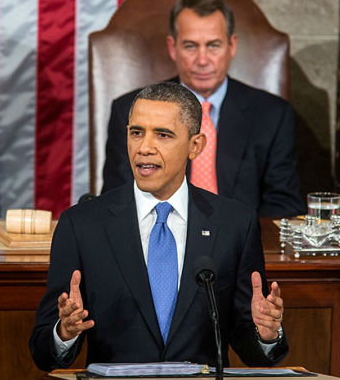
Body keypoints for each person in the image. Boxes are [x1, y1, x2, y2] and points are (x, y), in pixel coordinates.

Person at [30, 82, 288, 372]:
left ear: (195, 146)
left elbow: (250, 347)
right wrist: (65, 332)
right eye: (136, 132)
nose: (144, 148)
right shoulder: (82, 225)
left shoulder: (234, 224)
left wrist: (266, 334)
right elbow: (43, 352)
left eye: (163, 135)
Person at [101, 0, 305, 218]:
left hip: (240, 245)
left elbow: (283, 207)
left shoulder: (272, 114)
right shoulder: (130, 110)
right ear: (172, 48)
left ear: (232, 46)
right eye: (190, 46)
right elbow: (118, 198)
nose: (202, 60)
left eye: (213, 45)